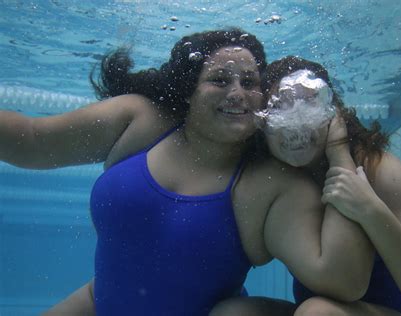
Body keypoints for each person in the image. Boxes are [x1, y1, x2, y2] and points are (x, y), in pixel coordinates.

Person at [1, 29, 368, 316]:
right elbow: (32, 141)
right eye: (221, 80)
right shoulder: (141, 121)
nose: (238, 93)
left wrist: (339, 154)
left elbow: (342, 281)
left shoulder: (268, 184)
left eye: (250, 82)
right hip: (98, 301)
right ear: (189, 90)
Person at [210, 56, 401, 316]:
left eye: (309, 103)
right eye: (279, 107)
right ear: (261, 125)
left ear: (333, 113)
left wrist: (371, 212)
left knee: (318, 313)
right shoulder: (278, 180)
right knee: (233, 312)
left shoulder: (380, 173)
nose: (295, 121)